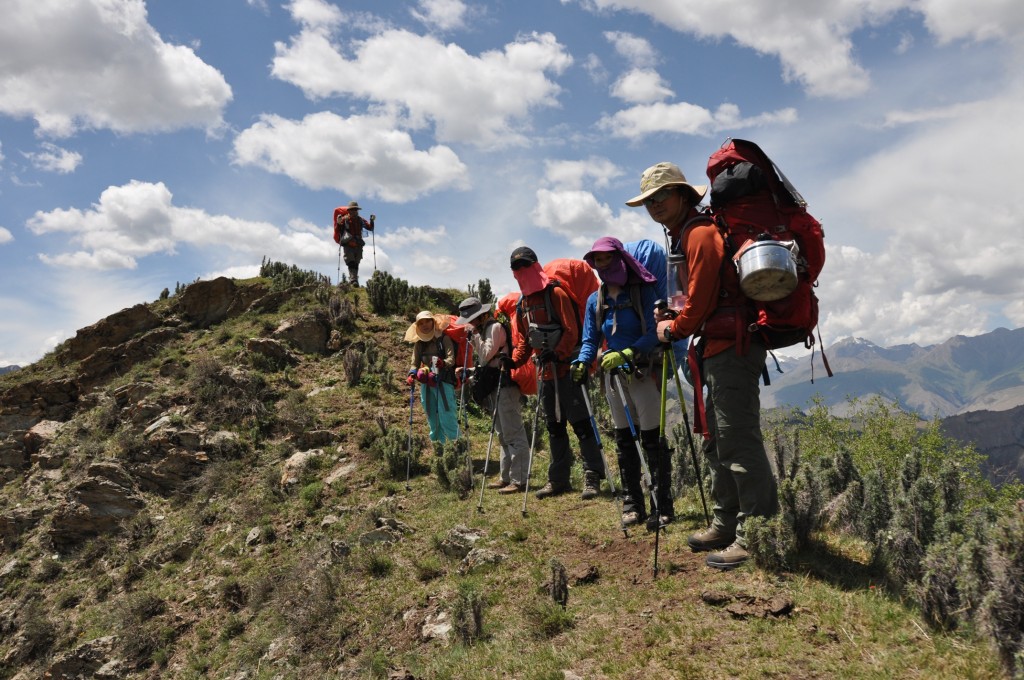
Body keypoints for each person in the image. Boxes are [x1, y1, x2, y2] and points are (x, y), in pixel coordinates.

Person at [628, 161, 779, 570]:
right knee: (718, 438)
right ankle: (725, 522)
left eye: (661, 196)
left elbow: (701, 301)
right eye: (648, 201)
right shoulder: (689, 234)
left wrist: (672, 328)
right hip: (717, 348)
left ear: (682, 195)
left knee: (738, 437)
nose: (654, 205)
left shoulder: (698, 233)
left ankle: (756, 533)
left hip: (732, 347)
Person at [572, 236, 672, 530]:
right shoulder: (596, 299)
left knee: (652, 440)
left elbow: (657, 330)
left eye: (606, 259)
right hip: (613, 378)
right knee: (625, 440)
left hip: (643, 371)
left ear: (619, 258)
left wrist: (630, 351)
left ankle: (662, 506)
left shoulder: (644, 291)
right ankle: (632, 504)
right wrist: (582, 360)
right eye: (597, 260)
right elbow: (590, 339)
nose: (601, 265)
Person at [508, 246, 604, 500]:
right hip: (545, 372)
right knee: (554, 426)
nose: (521, 271)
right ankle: (558, 479)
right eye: (516, 268)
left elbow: (572, 330)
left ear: (535, 265)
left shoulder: (557, 293)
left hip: (568, 367)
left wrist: (558, 353)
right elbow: (525, 342)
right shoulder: (523, 303)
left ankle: (592, 475)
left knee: (581, 422)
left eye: (524, 265)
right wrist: (513, 362)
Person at [455, 296, 529, 494]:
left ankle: (520, 479)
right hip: (495, 385)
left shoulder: (494, 328)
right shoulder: (484, 329)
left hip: (505, 385)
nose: (469, 324)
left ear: (481, 316)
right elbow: (485, 361)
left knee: (513, 432)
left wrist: (475, 336)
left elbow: (487, 355)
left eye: (471, 319)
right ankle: (507, 477)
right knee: (503, 434)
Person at [404, 310, 459, 446]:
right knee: (432, 417)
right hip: (426, 384)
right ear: (417, 326)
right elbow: (414, 363)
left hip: (444, 382)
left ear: (433, 322)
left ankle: (459, 450)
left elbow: (451, 359)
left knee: (447, 416)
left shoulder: (443, 339)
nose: (425, 325)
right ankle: (439, 450)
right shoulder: (419, 344)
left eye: (427, 321)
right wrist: (412, 374)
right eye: (421, 323)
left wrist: (443, 363)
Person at [336, 201, 374, 286]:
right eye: (352, 210)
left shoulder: (360, 220)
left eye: (355, 210)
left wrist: (372, 221)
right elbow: (338, 229)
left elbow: (370, 228)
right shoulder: (344, 219)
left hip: (358, 244)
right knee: (351, 262)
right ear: (349, 211)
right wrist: (338, 223)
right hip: (348, 244)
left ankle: (354, 280)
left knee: (356, 263)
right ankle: (353, 280)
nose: (354, 211)